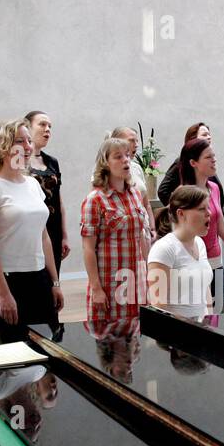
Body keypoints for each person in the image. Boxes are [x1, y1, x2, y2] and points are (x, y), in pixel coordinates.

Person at [0, 120, 64, 343]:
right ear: (3, 146)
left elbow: (43, 237)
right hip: (8, 279)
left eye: (29, 141)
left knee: (50, 346)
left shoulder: (32, 184)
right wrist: (4, 294)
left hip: (39, 276)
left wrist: (54, 282)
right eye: (19, 141)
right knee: (18, 349)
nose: (27, 147)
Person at [80, 137, 153, 320]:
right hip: (110, 282)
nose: (125, 160)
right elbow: (88, 248)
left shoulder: (135, 194)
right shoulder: (95, 199)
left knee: (138, 339)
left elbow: (142, 237)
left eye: (127, 155)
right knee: (109, 342)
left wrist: (150, 275)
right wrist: (96, 288)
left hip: (137, 280)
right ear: (105, 163)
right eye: (118, 156)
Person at [176, 137, 224, 313]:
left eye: (214, 156)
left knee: (217, 313)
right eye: (208, 157)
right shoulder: (182, 194)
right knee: (197, 315)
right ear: (193, 162)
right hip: (192, 265)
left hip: (215, 261)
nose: (214, 160)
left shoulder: (214, 188)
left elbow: (221, 226)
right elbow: (178, 235)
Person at [147, 185, 213, 317]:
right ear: (181, 213)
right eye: (201, 209)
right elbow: (159, 307)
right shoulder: (164, 249)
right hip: (177, 333)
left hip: (202, 329)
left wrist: (209, 322)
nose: (209, 213)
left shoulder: (199, 243)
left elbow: (205, 292)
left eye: (208, 207)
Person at [25, 111, 69, 275]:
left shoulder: (52, 162)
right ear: (28, 127)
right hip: (32, 229)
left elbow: (59, 201)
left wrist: (64, 235)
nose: (47, 129)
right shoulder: (20, 162)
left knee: (54, 279)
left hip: (53, 229)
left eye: (50, 126)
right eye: (42, 124)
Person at [156, 122, 223, 206]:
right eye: (204, 135)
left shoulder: (212, 184)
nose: (209, 137)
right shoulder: (181, 162)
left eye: (209, 134)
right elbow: (163, 191)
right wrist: (179, 207)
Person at [110, 126, 154, 217]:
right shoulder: (105, 169)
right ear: (117, 142)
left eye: (137, 141)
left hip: (142, 227)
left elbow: (146, 205)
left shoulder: (137, 168)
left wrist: (152, 229)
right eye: (131, 140)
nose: (136, 144)